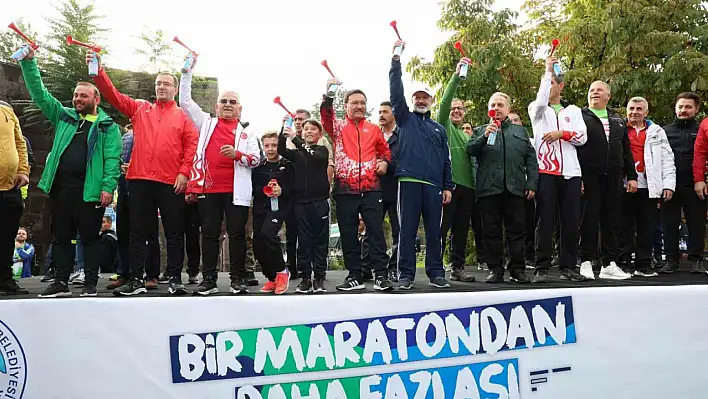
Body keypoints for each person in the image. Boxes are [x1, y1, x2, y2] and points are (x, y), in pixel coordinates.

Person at [89, 50, 199, 296]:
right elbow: (114, 96)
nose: (162, 87)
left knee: (174, 232)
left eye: (167, 84)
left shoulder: (182, 117)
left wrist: (184, 173)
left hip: (170, 182)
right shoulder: (140, 109)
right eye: (158, 83)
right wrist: (98, 72)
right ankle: (136, 280)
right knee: (137, 232)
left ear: (175, 89)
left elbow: (192, 145)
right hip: (139, 180)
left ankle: (174, 279)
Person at [19, 49, 121, 298]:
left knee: (90, 238)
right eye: (76, 95)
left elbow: (112, 160)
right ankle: (60, 281)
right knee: (61, 236)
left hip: (89, 191)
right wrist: (29, 64)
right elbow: (41, 96)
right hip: (61, 188)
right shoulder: (65, 116)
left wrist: (108, 187)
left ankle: (90, 284)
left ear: (96, 99)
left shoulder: (108, 127)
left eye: (83, 96)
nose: (77, 99)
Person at [180, 64, 262, 295]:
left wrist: (238, 155)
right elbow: (185, 102)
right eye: (224, 101)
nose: (227, 105)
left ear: (240, 109)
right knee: (209, 234)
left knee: (237, 235)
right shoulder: (206, 123)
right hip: (209, 189)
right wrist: (186, 73)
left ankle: (237, 279)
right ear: (216, 106)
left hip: (237, 192)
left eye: (232, 102)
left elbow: (256, 160)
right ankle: (209, 280)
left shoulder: (248, 131)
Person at [390, 39, 454, 289]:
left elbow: (446, 159)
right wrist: (395, 63)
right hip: (408, 182)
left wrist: (447, 186)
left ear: (431, 100)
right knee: (407, 231)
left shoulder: (438, 128)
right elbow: (396, 93)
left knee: (434, 232)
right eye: (416, 96)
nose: (420, 100)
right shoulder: (405, 118)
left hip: (434, 186)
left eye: (424, 97)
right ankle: (405, 275)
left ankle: (436, 272)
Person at [320, 82, 393, 292]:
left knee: (376, 233)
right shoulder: (338, 126)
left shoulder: (374, 129)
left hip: (371, 189)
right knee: (348, 234)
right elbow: (325, 115)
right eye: (355, 103)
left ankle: (381, 275)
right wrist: (329, 94)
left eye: (363, 103)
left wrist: (384, 163)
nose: (359, 106)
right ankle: (354, 276)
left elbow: (385, 152)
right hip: (345, 189)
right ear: (346, 106)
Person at [528, 56, 587, 283]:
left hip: (571, 173)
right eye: (546, 83)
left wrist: (562, 134)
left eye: (552, 83)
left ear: (561, 86)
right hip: (546, 172)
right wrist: (547, 71)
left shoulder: (573, 111)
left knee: (570, 221)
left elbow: (582, 137)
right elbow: (541, 101)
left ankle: (568, 266)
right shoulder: (537, 108)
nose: (548, 87)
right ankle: (541, 267)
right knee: (545, 219)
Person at [469, 92, 538, 283]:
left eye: (500, 105)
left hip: (515, 189)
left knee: (517, 231)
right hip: (489, 189)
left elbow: (531, 160)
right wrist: (484, 136)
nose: (497, 108)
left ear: (508, 109)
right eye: (493, 105)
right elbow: (470, 150)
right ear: (489, 109)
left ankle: (517, 269)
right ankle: (495, 269)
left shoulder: (520, 132)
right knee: (491, 231)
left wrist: (531, 183)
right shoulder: (480, 130)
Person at [576, 81, 637, 280]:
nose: (594, 93)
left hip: (614, 176)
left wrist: (632, 176)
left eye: (599, 90)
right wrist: (579, 177)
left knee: (612, 220)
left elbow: (626, 150)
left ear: (608, 96)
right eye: (591, 90)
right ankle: (585, 261)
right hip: (589, 175)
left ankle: (608, 264)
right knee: (589, 219)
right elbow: (575, 147)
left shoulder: (618, 119)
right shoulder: (580, 116)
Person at [618, 97, 675, 276]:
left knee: (647, 226)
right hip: (623, 184)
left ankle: (643, 264)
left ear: (646, 112)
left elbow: (667, 159)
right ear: (626, 111)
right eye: (631, 108)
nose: (635, 112)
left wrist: (668, 185)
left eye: (639, 109)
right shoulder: (618, 129)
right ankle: (623, 262)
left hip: (650, 185)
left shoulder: (657, 131)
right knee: (623, 225)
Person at [279, 120, 331, 293]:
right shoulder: (297, 153)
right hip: (301, 204)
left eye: (312, 129)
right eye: (305, 129)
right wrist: (283, 129)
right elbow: (280, 150)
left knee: (320, 242)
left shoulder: (322, 151)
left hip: (320, 203)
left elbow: (313, 156)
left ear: (319, 134)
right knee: (304, 242)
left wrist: (296, 140)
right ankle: (305, 278)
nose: (308, 131)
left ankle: (319, 278)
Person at [437, 58, 476, 283]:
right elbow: (444, 103)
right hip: (450, 185)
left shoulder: (465, 134)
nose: (456, 111)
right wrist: (456, 76)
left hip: (468, 187)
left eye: (460, 109)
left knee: (461, 230)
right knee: (443, 227)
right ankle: (436, 263)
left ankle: (457, 267)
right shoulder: (445, 128)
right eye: (454, 108)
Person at [661, 92, 706, 273]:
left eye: (688, 107)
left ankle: (696, 260)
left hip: (695, 184)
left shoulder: (702, 130)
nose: (683, 110)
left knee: (697, 223)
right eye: (680, 106)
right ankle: (671, 260)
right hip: (669, 186)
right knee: (669, 223)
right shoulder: (664, 131)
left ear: (696, 109)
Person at [252, 132, 294, 295]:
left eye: (274, 145)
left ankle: (282, 271)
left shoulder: (288, 165)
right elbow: (253, 188)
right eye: (267, 145)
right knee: (258, 244)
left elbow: (294, 187)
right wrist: (265, 190)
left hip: (279, 209)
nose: (270, 149)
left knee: (268, 234)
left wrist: (281, 190)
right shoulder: (259, 167)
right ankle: (272, 277)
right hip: (260, 208)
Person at [0, 101, 29, 295]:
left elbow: (20, 142)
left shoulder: (7, 109)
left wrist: (23, 170)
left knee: (7, 236)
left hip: (10, 186)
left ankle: (5, 280)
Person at [378, 101, 400, 282]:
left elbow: (406, 159)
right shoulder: (374, 134)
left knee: (398, 231)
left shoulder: (403, 135)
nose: (381, 114)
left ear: (393, 114)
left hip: (397, 189)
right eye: (379, 112)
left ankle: (395, 268)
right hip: (375, 190)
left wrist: (387, 164)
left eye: (385, 111)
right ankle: (374, 268)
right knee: (373, 230)